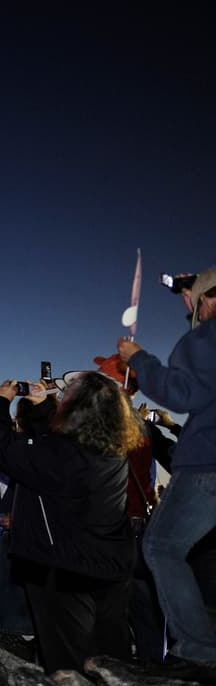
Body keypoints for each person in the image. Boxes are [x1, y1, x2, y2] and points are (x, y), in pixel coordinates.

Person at [0, 374, 140, 673]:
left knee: (69, 665)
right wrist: (42, 411)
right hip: (109, 567)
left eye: (66, 398)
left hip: (63, 571)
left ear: (76, 410)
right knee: (112, 660)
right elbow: (53, 447)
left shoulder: (60, 457)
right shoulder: (111, 450)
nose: (60, 400)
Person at [118, 265, 216, 664]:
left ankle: (199, 650)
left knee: (162, 547)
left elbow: (183, 391)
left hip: (208, 463)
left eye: (192, 296)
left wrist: (139, 359)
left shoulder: (208, 336)